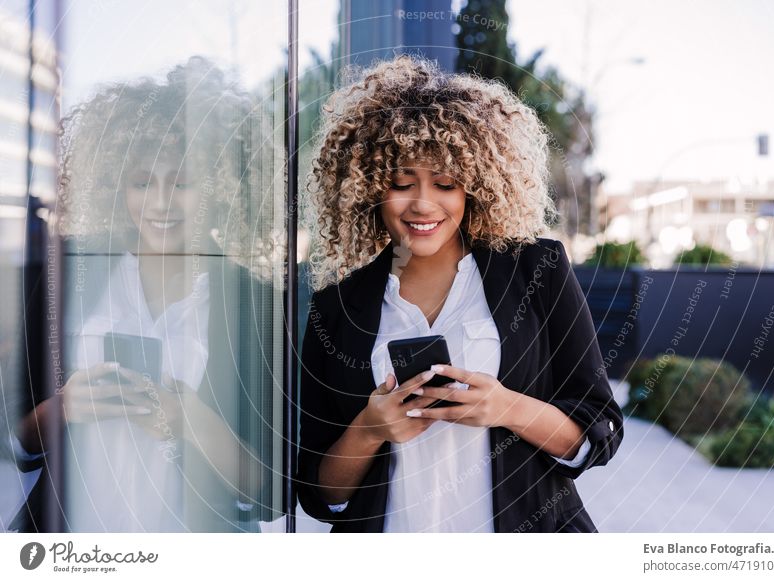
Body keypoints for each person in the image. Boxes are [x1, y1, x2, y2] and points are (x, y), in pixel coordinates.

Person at [295, 55, 624, 533]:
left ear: (476, 187)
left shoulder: (537, 269)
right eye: (401, 183)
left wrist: (507, 408)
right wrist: (370, 429)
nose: (423, 204)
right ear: (368, 187)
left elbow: (600, 431)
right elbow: (321, 495)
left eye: (445, 184)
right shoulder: (336, 308)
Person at [10, 57, 279, 532]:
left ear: (218, 188)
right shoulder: (69, 276)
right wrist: (66, 407)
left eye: (182, 183)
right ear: (117, 185)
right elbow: (17, 445)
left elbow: (269, 492)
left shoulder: (251, 301)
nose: (160, 203)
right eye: (142, 182)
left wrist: (187, 418)